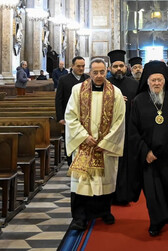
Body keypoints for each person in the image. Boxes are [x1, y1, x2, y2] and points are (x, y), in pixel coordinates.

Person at [65, 58, 126, 231]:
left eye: (102, 72)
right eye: (95, 72)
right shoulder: (78, 90)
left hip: (105, 147)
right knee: (82, 182)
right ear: (89, 72)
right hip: (84, 144)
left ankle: (104, 212)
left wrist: (106, 142)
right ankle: (79, 217)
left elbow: (120, 120)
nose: (99, 76)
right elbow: (70, 116)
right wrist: (84, 137)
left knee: (104, 180)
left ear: (107, 71)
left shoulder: (115, 92)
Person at [129, 61, 168, 237]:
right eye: (153, 80)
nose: (156, 83)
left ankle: (167, 211)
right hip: (150, 156)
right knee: (152, 193)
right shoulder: (138, 101)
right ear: (147, 81)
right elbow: (132, 130)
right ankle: (155, 222)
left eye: (159, 80)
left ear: (165, 81)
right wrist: (145, 151)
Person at [107, 49, 140, 205]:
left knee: (128, 164)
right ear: (110, 68)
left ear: (126, 67)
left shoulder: (135, 84)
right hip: (110, 132)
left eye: (121, 65)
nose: (118, 69)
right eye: (115, 66)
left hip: (129, 131)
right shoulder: (106, 86)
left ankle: (126, 194)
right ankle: (109, 195)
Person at [56, 56, 90, 164]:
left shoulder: (88, 79)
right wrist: (60, 117)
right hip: (69, 118)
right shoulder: (64, 79)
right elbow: (59, 100)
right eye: (78, 66)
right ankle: (71, 163)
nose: (81, 68)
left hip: (86, 118)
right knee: (70, 142)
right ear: (72, 66)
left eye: (83, 66)